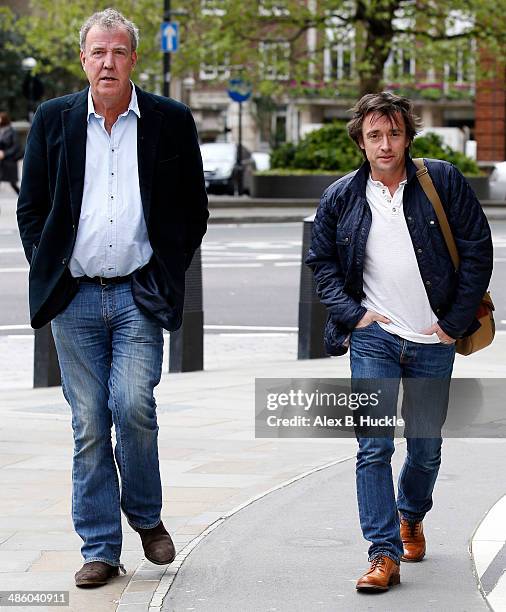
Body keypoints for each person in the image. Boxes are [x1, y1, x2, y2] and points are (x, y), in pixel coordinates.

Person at [17, 8, 208, 588]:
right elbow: (31, 208)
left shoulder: (170, 120)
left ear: (133, 59)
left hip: (138, 295)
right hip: (74, 299)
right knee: (89, 425)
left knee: (133, 406)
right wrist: (50, 269)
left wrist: (165, 269)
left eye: (118, 52)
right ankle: (100, 548)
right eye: (97, 52)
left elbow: (192, 209)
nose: (107, 62)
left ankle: (146, 517)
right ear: (83, 60)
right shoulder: (54, 119)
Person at [306, 92, 492, 592]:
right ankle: (382, 554)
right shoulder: (342, 196)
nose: (385, 144)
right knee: (373, 447)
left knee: (426, 447)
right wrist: (352, 314)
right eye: (374, 136)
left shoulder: (442, 181)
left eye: (393, 133)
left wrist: (452, 323)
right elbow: (320, 261)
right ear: (361, 143)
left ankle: (411, 514)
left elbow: (478, 250)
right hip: (375, 339)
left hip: (432, 338)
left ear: (408, 136)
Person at [0, 111, 21, 195]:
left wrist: (4, 154)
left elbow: (16, 147)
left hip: (9, 161)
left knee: (13, 184)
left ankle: (23, 199)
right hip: (1, 162)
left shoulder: (12, 131)